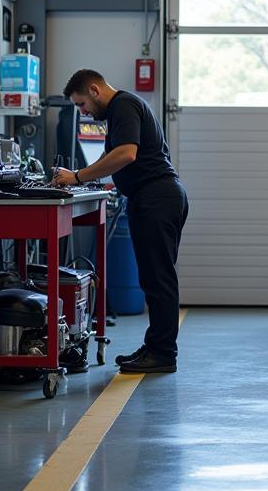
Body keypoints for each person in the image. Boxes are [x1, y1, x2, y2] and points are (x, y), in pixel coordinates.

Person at [53, 69, 188, 373]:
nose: (83, 112)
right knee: (153, 279)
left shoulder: (123, 106)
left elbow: (127, 154)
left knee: (158, 279)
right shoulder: (122, 109)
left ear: (94, 90)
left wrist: (77, 177)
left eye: (81, 104)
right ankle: (156, 347)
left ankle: (163, 354)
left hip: (157, 199)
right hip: (154, 197)